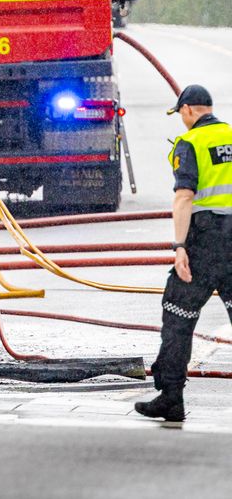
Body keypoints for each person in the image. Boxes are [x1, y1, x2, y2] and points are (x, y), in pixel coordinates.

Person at [136, 85, 232, 422]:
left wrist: (179, 247)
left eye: (181, 114)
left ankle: (171, 397)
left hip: (206, 242)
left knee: (178, 314)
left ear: (188, 109)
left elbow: (184, 197)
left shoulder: (190, 143)